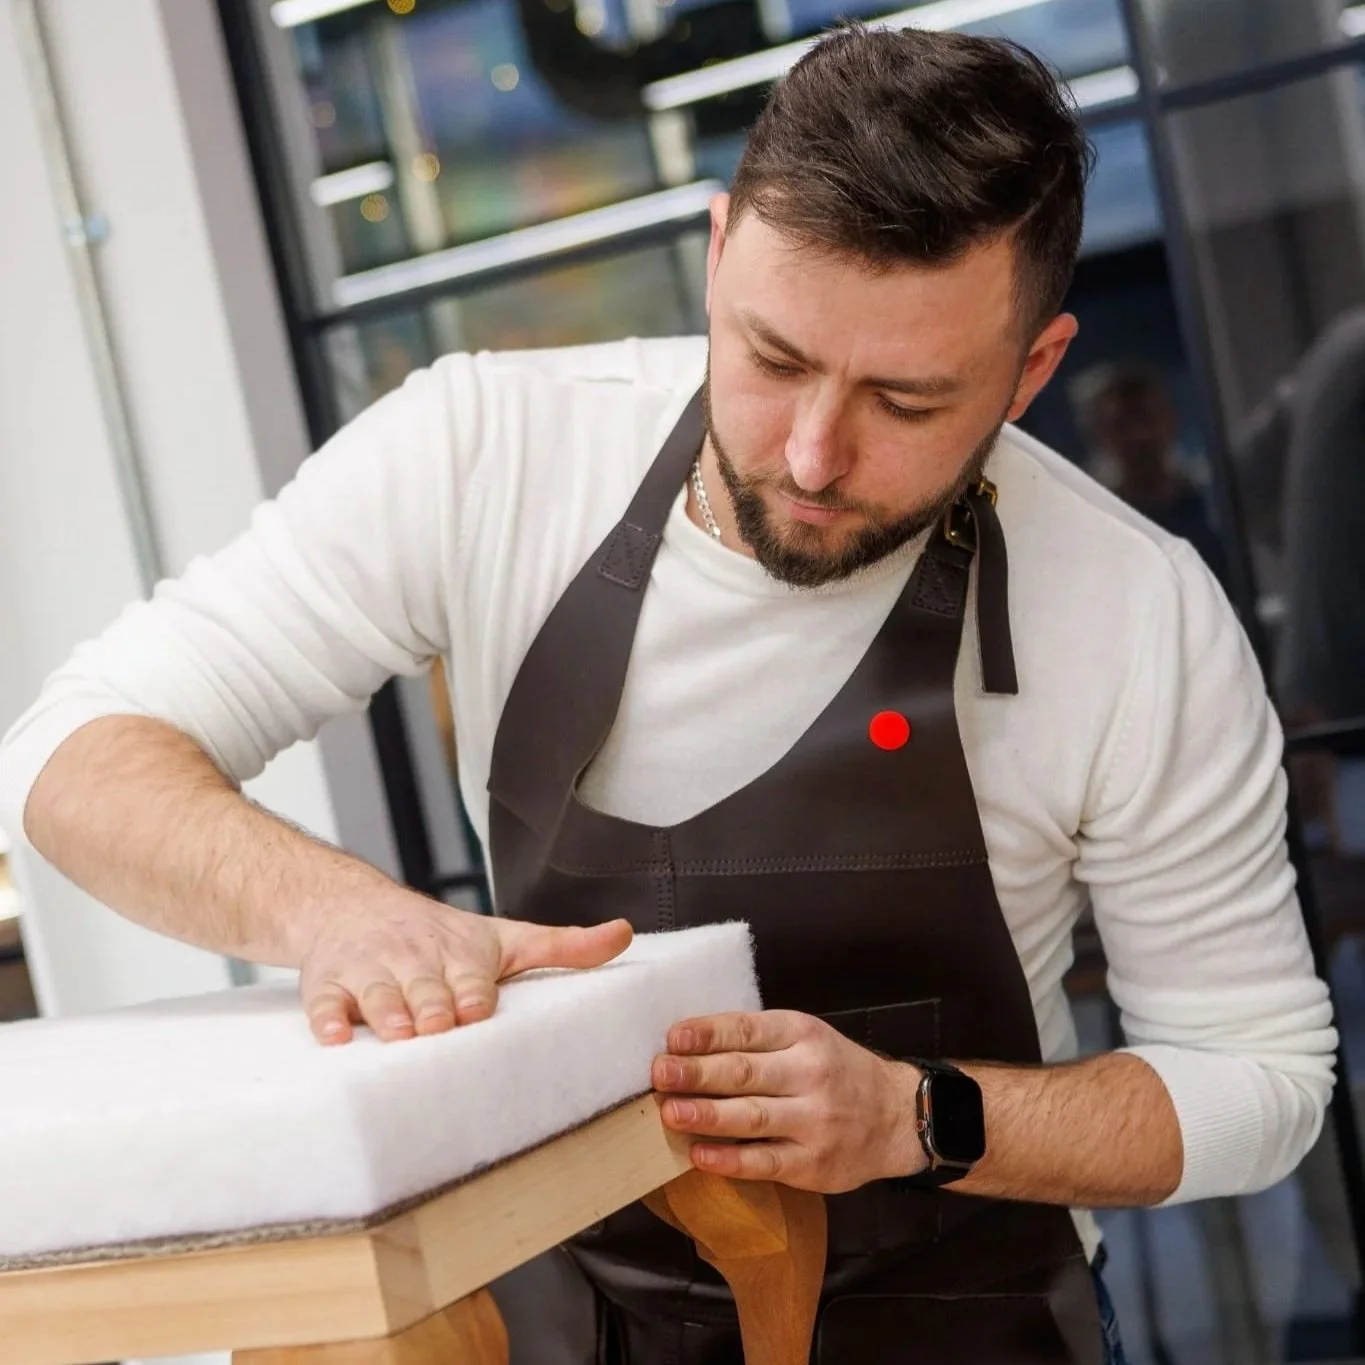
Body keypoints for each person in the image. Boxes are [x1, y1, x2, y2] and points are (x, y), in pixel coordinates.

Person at [0, 25, 1337, 1365]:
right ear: (714, 256)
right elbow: (69, 754)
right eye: (771, 358)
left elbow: (1258, 1082)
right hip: (565, 1312)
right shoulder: (485, 453)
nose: (813, 453)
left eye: (904, 399)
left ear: (1030, 370)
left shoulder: (1133, 608)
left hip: (967, 1322)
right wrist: (342, 914)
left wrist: (910, 1119)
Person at [1072, 362, 1229, 586]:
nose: (1139, 436)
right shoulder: (1099, 527)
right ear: (1101, 436)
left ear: (1170, 421)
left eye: (1147, 418)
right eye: (1122, 425)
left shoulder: (1213, 505)